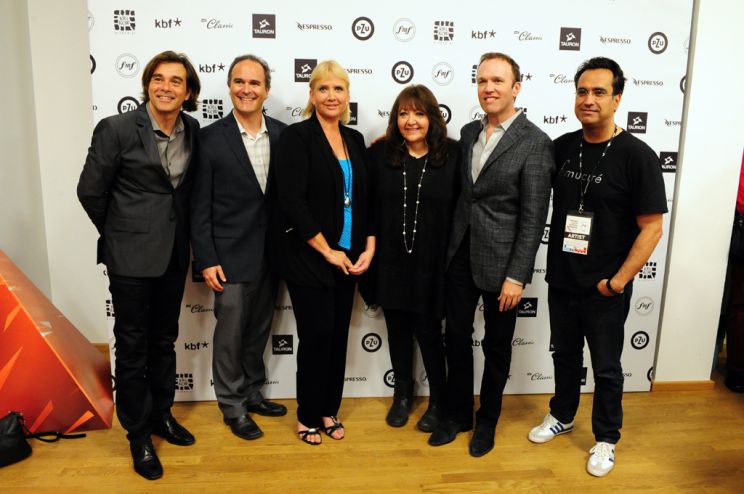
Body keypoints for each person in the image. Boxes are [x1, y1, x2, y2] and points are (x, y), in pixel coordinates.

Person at [528, 57, 667, 477]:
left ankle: (606, 438)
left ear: (617, 99)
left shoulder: (637, 157)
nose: (588, 100)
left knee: (606, 368)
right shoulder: (562, 146)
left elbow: (652, 228)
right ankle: (562, 414)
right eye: (582, 91)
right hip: (562, 280)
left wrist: (618, 282)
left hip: (605, 286)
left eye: (599, 92)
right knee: (565, 355)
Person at [77, 51, 201, 480]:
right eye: (158, 79)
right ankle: (138, 434)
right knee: (131, 346)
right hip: (129, 258)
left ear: (188, 92)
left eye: (176, 81)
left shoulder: (192, 130)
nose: (165, 87)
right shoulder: (116, 128)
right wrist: (120, 234)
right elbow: (90, 191)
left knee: (164, 340)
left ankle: (162, 414)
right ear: (147, 84)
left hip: (173, 255)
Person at [429, 52, 554, 457]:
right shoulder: (469, 132)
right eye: (483, 81)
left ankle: (487, 421)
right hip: (460, 254)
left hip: (503, 266)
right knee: (455, 337)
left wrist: (517, 276)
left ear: (516, 88)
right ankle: (459, 414)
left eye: (498, 81)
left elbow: (533, 218)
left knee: (497, 347)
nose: (489, 88)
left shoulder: (535, 142)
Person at [270, 60, 375, 445]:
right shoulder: (297, 137)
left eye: (338, 89)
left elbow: (366, 198)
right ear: (312, 95)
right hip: (309, 256)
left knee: (336, 337)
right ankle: (307, 415)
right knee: (316, 336)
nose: (331, 96)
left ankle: (330, 408)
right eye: (324, 89)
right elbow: (292, 202)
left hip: (348, 258)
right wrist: (327, 250)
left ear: (347, 96)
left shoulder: (355, 139)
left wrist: (369, 246)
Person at [190, 54, 288, 441]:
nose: (246, 89)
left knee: (258, 329)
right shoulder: (209, 139)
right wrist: (206, 258)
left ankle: (251, 392)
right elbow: (199, 206)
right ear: (230, 86)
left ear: (267, 89)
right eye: (239, 82)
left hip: (272, 255)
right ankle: (232, 406)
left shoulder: (283, 135)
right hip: (228, 257)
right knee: (230, 335)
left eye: (254, 83)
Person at [364, 85, 460, 432]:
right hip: (390, 262)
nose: (411, 121)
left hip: (433, 264)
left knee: (430, 332)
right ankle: (402, 394)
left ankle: (438, 400)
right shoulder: (380, 154)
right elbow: (367, 205)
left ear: (432, 118)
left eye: (419, 113)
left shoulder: (454, 154)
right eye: (403, 114)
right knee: (397, 331)